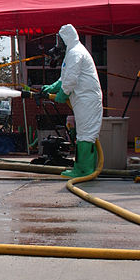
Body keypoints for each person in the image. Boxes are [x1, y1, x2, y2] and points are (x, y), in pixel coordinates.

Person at [42, 24, 103, 178]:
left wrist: (63, 94)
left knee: (86, 135)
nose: (58, 45)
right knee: (84, 134)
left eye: (60, 41)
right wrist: (52, 88)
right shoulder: (72, 53)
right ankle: (84, 168)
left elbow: (70, 79)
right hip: (82, 99)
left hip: (87, 99)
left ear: (66, 39)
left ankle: (84, 171)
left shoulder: (75, 53)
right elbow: (65, 78)